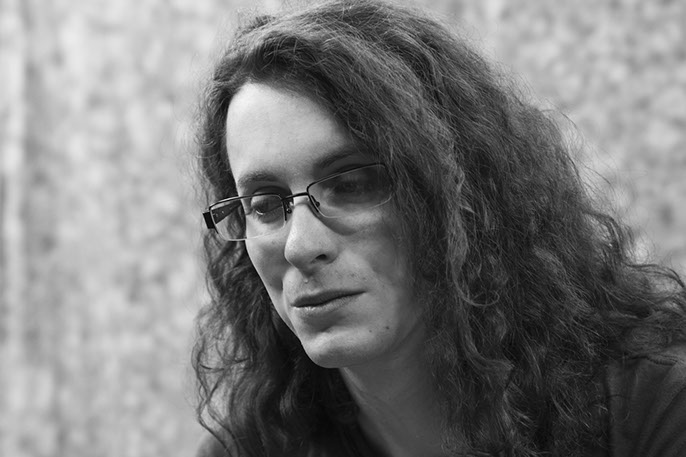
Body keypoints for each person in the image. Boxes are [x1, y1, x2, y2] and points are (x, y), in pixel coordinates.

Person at [191, 1, 686, 456]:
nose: (301, 246)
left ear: (462, 194)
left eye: (353, 184)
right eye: (264, 205)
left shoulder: (655, 411)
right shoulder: (254, 446)